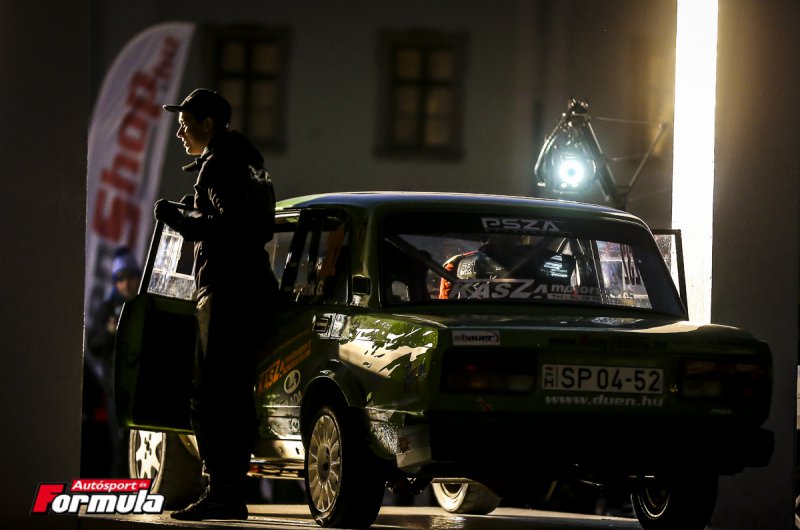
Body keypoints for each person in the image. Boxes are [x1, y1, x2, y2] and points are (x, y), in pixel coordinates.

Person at [154, 88, 279, 521]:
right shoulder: (249, 162)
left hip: (226, 290)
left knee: (208, 397)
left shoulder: (219, 164)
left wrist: (180, 221)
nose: (180, 134)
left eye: (186, 125)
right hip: (253, 288)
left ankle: (221, 491)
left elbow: (232, 225)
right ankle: (230, 490)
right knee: (236, 395)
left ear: (208, 124)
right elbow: (251, 224)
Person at [84, 247, 141, 477]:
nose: (126, 284)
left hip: (141, 386)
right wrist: (109, 333)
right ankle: (121, 489)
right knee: (120, 446)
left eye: (131, 277)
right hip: (117, 389)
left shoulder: (144, 303)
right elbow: (93, 344)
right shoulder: (107, 308)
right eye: (120, 278)